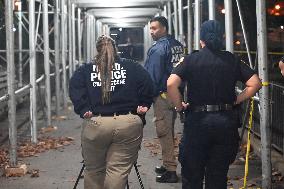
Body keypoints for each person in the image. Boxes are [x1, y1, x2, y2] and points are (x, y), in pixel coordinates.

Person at [167, 20, 262, 189]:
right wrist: (237, 100)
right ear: (222, 37)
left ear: (201, 39)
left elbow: (171, 84)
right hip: (225, 123)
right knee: (217, 175)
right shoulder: (232, 60)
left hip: (197, 122)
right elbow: (255, 83)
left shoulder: (191, 60)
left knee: (192, 174)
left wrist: (179, 106)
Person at [69, 35, 154, 189]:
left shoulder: (85, 70)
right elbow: (148, 85)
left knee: (94, 170)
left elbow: (75, 88)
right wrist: (143, 104)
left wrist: (84, 109)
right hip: (128, 122)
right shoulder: (133, 67)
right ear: (116, 49)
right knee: (118, 170)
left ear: (97, 50)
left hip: (97, 122)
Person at [144, 16, 184, 183]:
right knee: (171, 129)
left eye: (155, 28)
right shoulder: (177, 45)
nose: (152, 31)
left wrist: (146, 97)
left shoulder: (158, 49)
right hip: (177, 94)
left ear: (164, 28)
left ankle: (171, 170)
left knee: (164, 132)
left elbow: (152, 77)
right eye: (150, 28)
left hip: (163, 95)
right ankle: (168, 163)